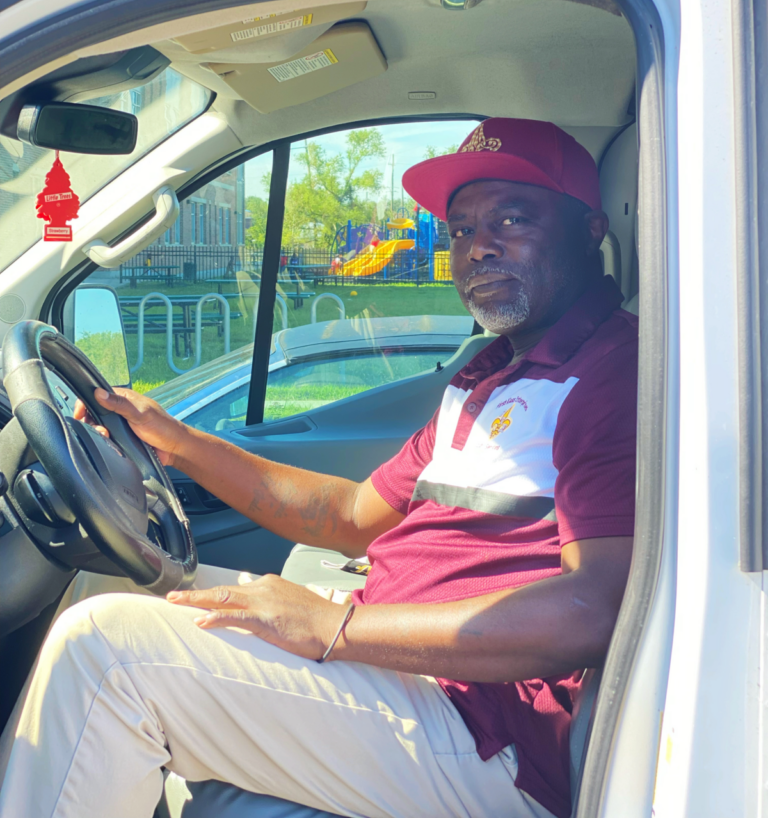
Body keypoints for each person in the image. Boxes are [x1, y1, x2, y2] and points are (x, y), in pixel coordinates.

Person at [0, 118, 637, 818]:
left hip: (487, 733)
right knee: (104, 578)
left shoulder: (613, 375)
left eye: (513, 218)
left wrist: (331, 631)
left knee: (107, 655)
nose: (479, 247)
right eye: (460, 230)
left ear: (591, 229)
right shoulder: (491, 377)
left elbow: (591, 610)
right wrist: (172, 438)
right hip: (403, 666)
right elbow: (348, 517)